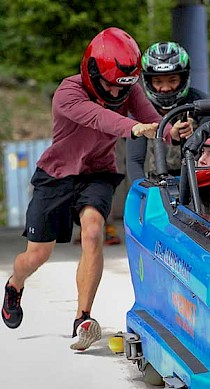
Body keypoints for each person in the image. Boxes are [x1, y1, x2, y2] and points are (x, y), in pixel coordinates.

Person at [1, 27, 192, 351]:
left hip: (98, 173)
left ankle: (82, 319)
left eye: (124, 88)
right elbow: (99, 119)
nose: (117, 94)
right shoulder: (68, 92)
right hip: (57, 175)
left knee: (92, 233)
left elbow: (152, 122)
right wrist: (133, 127)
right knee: (36, 256)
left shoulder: (126, 90)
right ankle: (14, 285)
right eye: (110, 86)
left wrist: (173, 130)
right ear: (91, 72)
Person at [126, 41, 210, 183]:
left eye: (172, 80)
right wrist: (143, 192)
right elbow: (134, 160)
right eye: (158, 82)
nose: (165, 88)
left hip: (200, 182)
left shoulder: (203, 103)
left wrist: (196, 134)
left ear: (183, 78)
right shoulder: (139, 109)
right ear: (148, 81)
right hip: (158, 185)